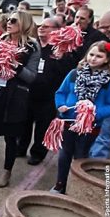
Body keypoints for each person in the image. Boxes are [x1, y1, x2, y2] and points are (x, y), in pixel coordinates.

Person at [0, 11, 40, 187]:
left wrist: (14, 65)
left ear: (24, 23)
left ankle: (7, 171)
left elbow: (31, 77)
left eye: (13, 20)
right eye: (7, 20)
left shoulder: (32, 47)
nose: (8, 23)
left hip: (15, 97)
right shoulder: (0, 40)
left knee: (10, 136)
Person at [51, 41, 110, 193]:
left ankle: (76, 186)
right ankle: (61, 183)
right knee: (64, 154)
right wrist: (61, 106)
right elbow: (61, 92)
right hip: (69, 122)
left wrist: (94, 113)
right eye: (91, 55)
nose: (93, 59)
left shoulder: (109, 82)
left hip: (90, 126)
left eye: (99, 56)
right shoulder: (74, 74)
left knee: (81, 156)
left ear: (106, 59)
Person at [17, 18, 73, 165]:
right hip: (29, 92)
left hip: (48, 96)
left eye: (46, 27)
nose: (41, 28)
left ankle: (37, 153)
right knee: (24, 123)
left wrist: (61, 59)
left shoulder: (60, 50)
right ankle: (21, 147)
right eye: (41, 26)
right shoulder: (33, 46)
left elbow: (66, 72)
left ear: (55, 30)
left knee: (42, 126)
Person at [89, 11, 110, 159]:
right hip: (102, 95)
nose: (104, 31)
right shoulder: (108, 40)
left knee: (104, 136)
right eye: (101, 27)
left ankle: (97, 172)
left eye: (106, 27)